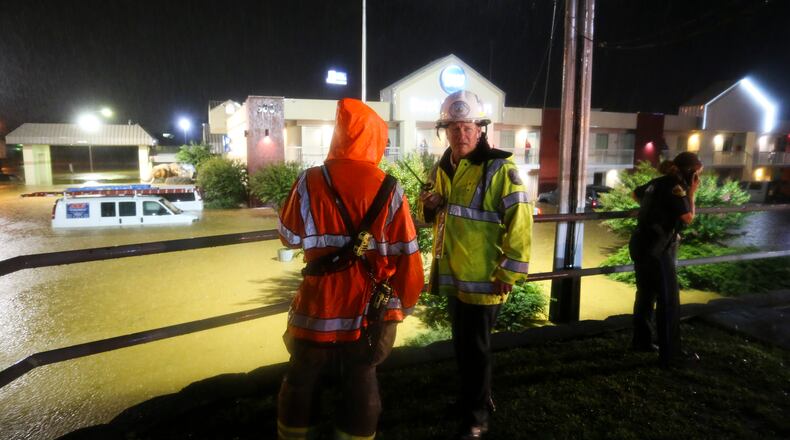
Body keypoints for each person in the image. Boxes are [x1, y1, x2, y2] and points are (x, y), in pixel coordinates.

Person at [276, 98, 424, 440]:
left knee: (302, 378)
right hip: (369, 309)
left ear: (338, 136)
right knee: (361, 378)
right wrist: (408, 301)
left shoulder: (308, 181)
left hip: (317, 305)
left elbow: (288, 238)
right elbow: (407, 254)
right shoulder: (391, 188)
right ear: (375, 139)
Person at [419, 90, 533, 439]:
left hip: (486, 279)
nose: (461, 135)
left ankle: (477, 416)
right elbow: (430, 216)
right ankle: (471, 399)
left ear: (481, 128)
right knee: (463, 347)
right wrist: (431, 204)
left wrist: (510, 272)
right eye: (453, 128)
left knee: (477, 350)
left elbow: (521, 220)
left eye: (468, 127)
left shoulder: (501, 168)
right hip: (455, 277)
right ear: (444, 131)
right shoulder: (443, 167)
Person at [629, 151, 703, 368]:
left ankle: (641, 342)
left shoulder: (658, 182)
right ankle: (671, 355)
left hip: (640, 243)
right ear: (690, 173)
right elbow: (688, 218)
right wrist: (692, 193)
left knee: (645, 295)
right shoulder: (675, 188)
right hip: (658, 249)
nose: (698, 179)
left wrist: (654, 210)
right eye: (697, 175)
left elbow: (635, 194)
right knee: (668, 301)